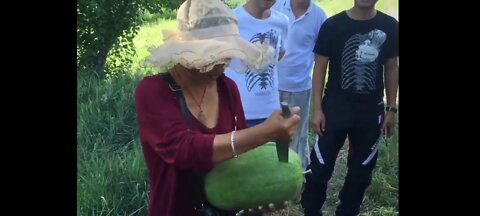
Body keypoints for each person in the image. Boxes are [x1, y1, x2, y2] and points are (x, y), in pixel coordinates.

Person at [134, 0, 301, 216]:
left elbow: (238, 158)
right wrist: (264, 132)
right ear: (188, 51)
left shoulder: (227, 88)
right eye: (212, 56)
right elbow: (183, 150)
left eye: (226, 55)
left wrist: (256, 198)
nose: (222, 66)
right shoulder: (153, 90)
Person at [300, 0, 399, 215]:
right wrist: (317, 109)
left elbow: (392, 67)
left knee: (361, 172)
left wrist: (391, 109)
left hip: (370, 111)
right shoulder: (333, 25)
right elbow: (319, 67)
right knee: (320, 168)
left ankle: (348, 211)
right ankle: (311, 210)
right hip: (335, 108)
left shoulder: (389, 25)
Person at [272, 0, 327, 172]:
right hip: (271, 86)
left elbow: (321, 58)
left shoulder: (319, 16)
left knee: (297, 135)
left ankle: (297, 173)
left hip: (300, 87)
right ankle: (270, 174)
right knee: (270, 132)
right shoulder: (275, 6)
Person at [224, 0, 289, 128]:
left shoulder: (282, 21)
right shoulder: (231, 20)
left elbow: (279, 54)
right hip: (239, 113)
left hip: (272, 112)